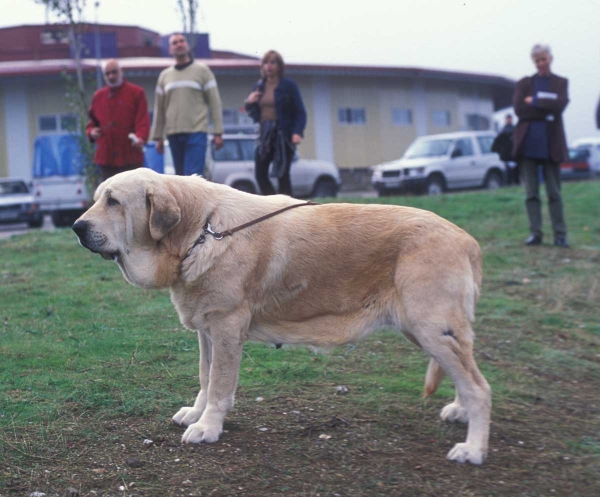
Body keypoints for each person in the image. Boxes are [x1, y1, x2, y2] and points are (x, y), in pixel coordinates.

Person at [512, 44, 569, 247]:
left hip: (551, 144)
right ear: (533, 62)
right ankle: (535, 233)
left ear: (550, 58)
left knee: (554, 192)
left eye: (543, 59)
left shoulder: (560, 82)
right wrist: (546, 108)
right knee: (531, 193)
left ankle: (560, 235)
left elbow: (561, 105)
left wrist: (534, 101)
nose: (541, 63)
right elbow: (519, 110)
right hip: (528, 144)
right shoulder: (524, 83)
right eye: (537, 60)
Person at [150, 33, 224, 176]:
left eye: (182, 41)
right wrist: (158, 136)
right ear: (170, 49)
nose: (179, 44)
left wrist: (218, 132)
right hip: (173, 134)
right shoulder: (165, 76)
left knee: (193, 178)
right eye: (174, 43)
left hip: (196, 132)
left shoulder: (202, 71)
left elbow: (215, 103)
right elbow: (159, 108)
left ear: (187, 45)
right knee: (180, 180)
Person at [244, 50, 307, 196]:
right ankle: (274, 206)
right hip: (264, 134)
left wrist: (297, 132)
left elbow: (300, 112)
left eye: (272, 62)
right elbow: (251, 111)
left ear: (279, 66)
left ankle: (289, 210)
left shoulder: (288, 85)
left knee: (282, 175)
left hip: (283, 134)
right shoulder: (259, 86)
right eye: (266, 63)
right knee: (260, 174)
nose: (269, 66)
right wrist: (249, 102)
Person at [86, 59, 150, 182]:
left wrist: (140, 138)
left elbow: (142, 121)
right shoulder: (98, 96)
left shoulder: (137, 93)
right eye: (107, 74)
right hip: (106, 158)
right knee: (109, 196)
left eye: (114, 72)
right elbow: (91, 124)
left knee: (133, 194)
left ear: (121, 72)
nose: (111, 76)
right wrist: (91, 132)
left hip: (130, 156)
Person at [491, 114, 519, 185]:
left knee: (516, 170)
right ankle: (509, 182)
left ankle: (516, 181)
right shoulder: (503, 130)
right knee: (508, 170)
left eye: (509, 119)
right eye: (507, 119)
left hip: (514, 153)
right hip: (507, 154)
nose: (508, 120)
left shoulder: (514, 129)